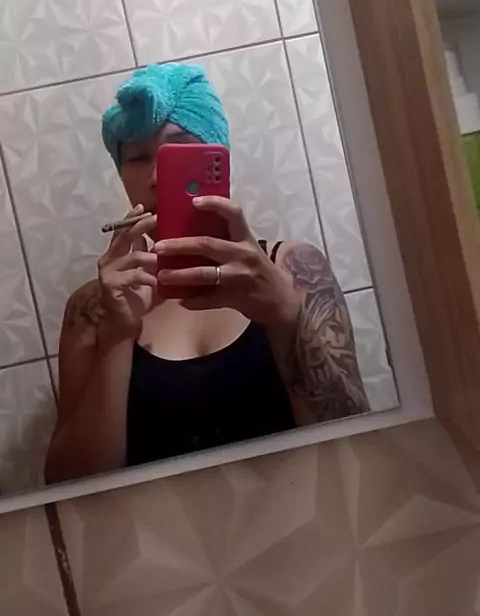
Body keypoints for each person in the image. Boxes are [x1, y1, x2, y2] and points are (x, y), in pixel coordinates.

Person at [45, 63, 369, 484]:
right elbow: (69, 487)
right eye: (137, 158)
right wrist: (117, 336)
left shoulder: (293, 269)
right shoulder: (94, 306)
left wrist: (284, 315)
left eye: (179, 152)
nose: (156, 177)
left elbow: (358, 440)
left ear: (218, 160)